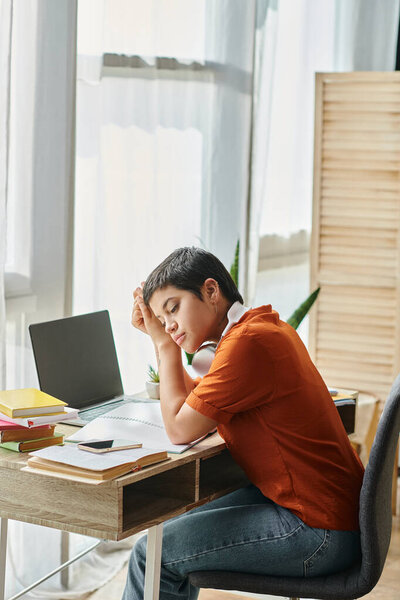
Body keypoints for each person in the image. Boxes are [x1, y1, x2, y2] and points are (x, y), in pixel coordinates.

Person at [122, 246, 364, 600]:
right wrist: (163, 339)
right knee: (169, 533)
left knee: (152, 556)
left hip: (318, 531)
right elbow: (195, 403)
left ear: (210, 291)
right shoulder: (257, 328)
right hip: (327, 514)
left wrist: (166, 346)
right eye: (161, 318)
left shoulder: (247, 345)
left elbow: (179, 428)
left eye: (173, 308)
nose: (168, 325)